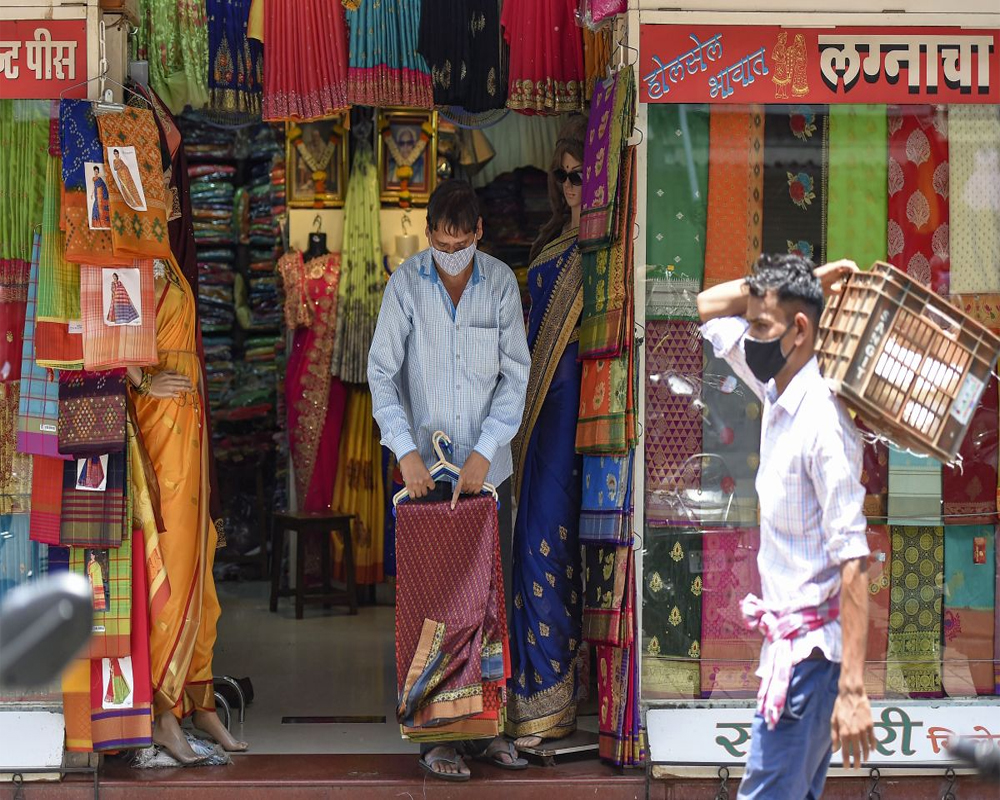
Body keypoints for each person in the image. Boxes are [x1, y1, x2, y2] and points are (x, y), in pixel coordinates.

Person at [696, 254, 877, 799]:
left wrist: (853, 690)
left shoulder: (823, 424)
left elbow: (854, 559)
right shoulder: (775, 391)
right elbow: (707, 306)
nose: (750, 338)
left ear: (799, 331)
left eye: (760, 326)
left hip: (812, 666)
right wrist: (804, 284)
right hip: (796, 660)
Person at [368, 180, 531, 781]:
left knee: (488, 605)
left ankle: (487, 729)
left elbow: (515, 375)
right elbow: (381, 372)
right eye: (443, 243)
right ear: (429, 233)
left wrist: (487, 450)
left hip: (487, 476)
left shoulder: (502, 284)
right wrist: (405, 450)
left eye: (462, 245)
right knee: (433, 611)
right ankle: (437, 739)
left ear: (479, 233)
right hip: (426, 477)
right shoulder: (406, 285)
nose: (453, 253)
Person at [128, 256, 248, 764]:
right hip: (159, 422)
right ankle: (163, 711)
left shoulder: (166, 257)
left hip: (185, 419)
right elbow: (102, 330)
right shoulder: (127, 249)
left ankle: (200, 699)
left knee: (200, 558)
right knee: (172, 561)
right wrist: (141, 382)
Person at [506, 115, 587, 747]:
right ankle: (534, 693)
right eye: (562, 177)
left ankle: (555, 692)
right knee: (527, 542)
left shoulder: (602, 247)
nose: (569, 188)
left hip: (575, 413)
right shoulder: (552, 242)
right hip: (537, 413)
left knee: (550, 545)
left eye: (579, 176)